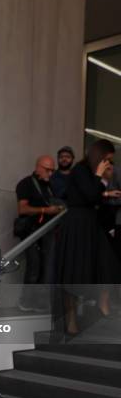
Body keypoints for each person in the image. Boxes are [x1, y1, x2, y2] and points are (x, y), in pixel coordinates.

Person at [56, 139, 121, 334]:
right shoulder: (80, 170)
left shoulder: (90, 173)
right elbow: (90, 194)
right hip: (77, 225)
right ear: (98, 156)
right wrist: (101, 177)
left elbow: (93, 195)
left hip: (91, 224)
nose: (109, 163)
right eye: (107, 159)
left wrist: (107, 193)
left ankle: (103, 306)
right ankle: (71, 319)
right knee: (74, 272)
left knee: (107, 265)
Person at [15, 156, 64, 311]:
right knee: (34, 267)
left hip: (48, 231)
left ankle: (39, 303)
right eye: (47, 169)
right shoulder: (26, 183)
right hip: (31, 232)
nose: (50, 173)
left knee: (46, 269)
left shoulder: (50, 186)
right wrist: (45, 210)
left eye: (52, 170)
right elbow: (22, 209)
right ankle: (26, 301)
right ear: (38, 167)